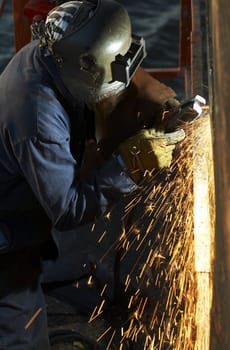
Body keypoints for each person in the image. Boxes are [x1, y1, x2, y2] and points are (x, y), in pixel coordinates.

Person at [0, 0, 185, 349]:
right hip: (6, 239)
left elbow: (112, 76)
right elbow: (68, 210)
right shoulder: (38, 117)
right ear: (85, 66)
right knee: (22, 334)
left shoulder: (52, 55)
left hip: (21, 201)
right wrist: (128, 165)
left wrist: (158, 104)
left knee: (49, 261)